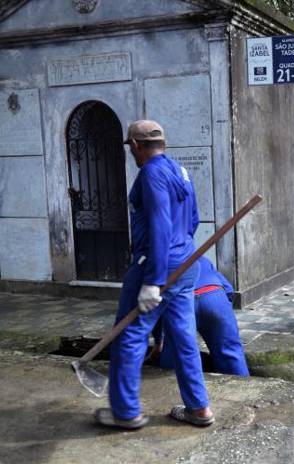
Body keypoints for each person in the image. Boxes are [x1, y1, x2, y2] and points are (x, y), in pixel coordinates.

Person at [95, 120, 213, 430]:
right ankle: (198, 408)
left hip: (157, 265)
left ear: (135, 145)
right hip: (187, 264)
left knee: (130, 335)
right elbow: (193, 220)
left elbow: (161, 225)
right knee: (184, 337)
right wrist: (178, 252)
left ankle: (125, 411)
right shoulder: (180, 171)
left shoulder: (150, 173)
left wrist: (153, 280)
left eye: (129, 147)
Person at [152, 256, 250, 377]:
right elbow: (229, 290)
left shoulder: (155, 266)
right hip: (215, 297)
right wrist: (224, 313)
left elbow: (153, 310)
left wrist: (158, 341)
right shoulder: (200, 257)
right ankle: (245, 387)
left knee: (174, 357)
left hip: (183, 302)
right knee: (231, 353)